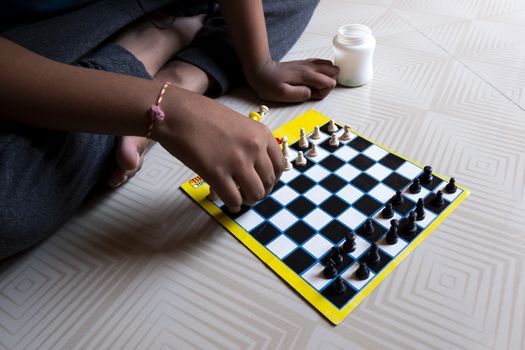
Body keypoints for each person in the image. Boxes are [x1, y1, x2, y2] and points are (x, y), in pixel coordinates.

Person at [0, 0, 339, 259]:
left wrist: (260, 64)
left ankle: (181, 74)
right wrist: (163, 109)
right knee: (10, 208)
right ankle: (147, 46)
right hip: (36, 38)